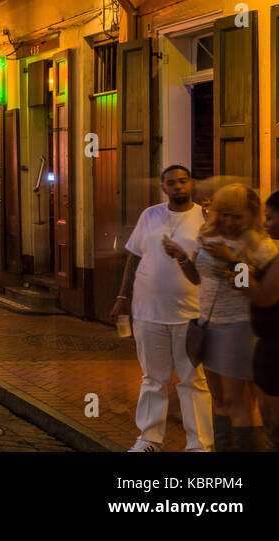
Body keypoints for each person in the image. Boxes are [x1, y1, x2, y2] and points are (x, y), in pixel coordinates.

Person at [111, 165, 212, 452]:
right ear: (163, 187)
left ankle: (199, 444)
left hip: (190, 311)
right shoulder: (150, 215)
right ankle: (150, 438)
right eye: (171, 183)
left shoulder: (204, 219)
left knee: (193, 380)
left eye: (183, 181)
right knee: (154, 378)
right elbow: (133, 259)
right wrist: (122, 297)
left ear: (191, 183)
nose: (178, 186)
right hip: (147, 311)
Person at [180, 183, 279, 450]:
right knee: (219, 400)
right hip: (208, 324)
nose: (229, 222)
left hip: (239, 327)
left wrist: (230, 259)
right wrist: (181, 259)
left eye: (237, 216)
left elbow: (262, 292)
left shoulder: (260, 245)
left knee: (241, 402)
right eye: (224, 214)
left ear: (251, 214)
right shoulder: (207, 235)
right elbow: (198, 277)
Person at [205, 183, 279, 451]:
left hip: (275, 344)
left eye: (270, 217)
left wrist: (233, 262)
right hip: (252, 338)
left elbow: (263, 295)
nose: (266, 223)